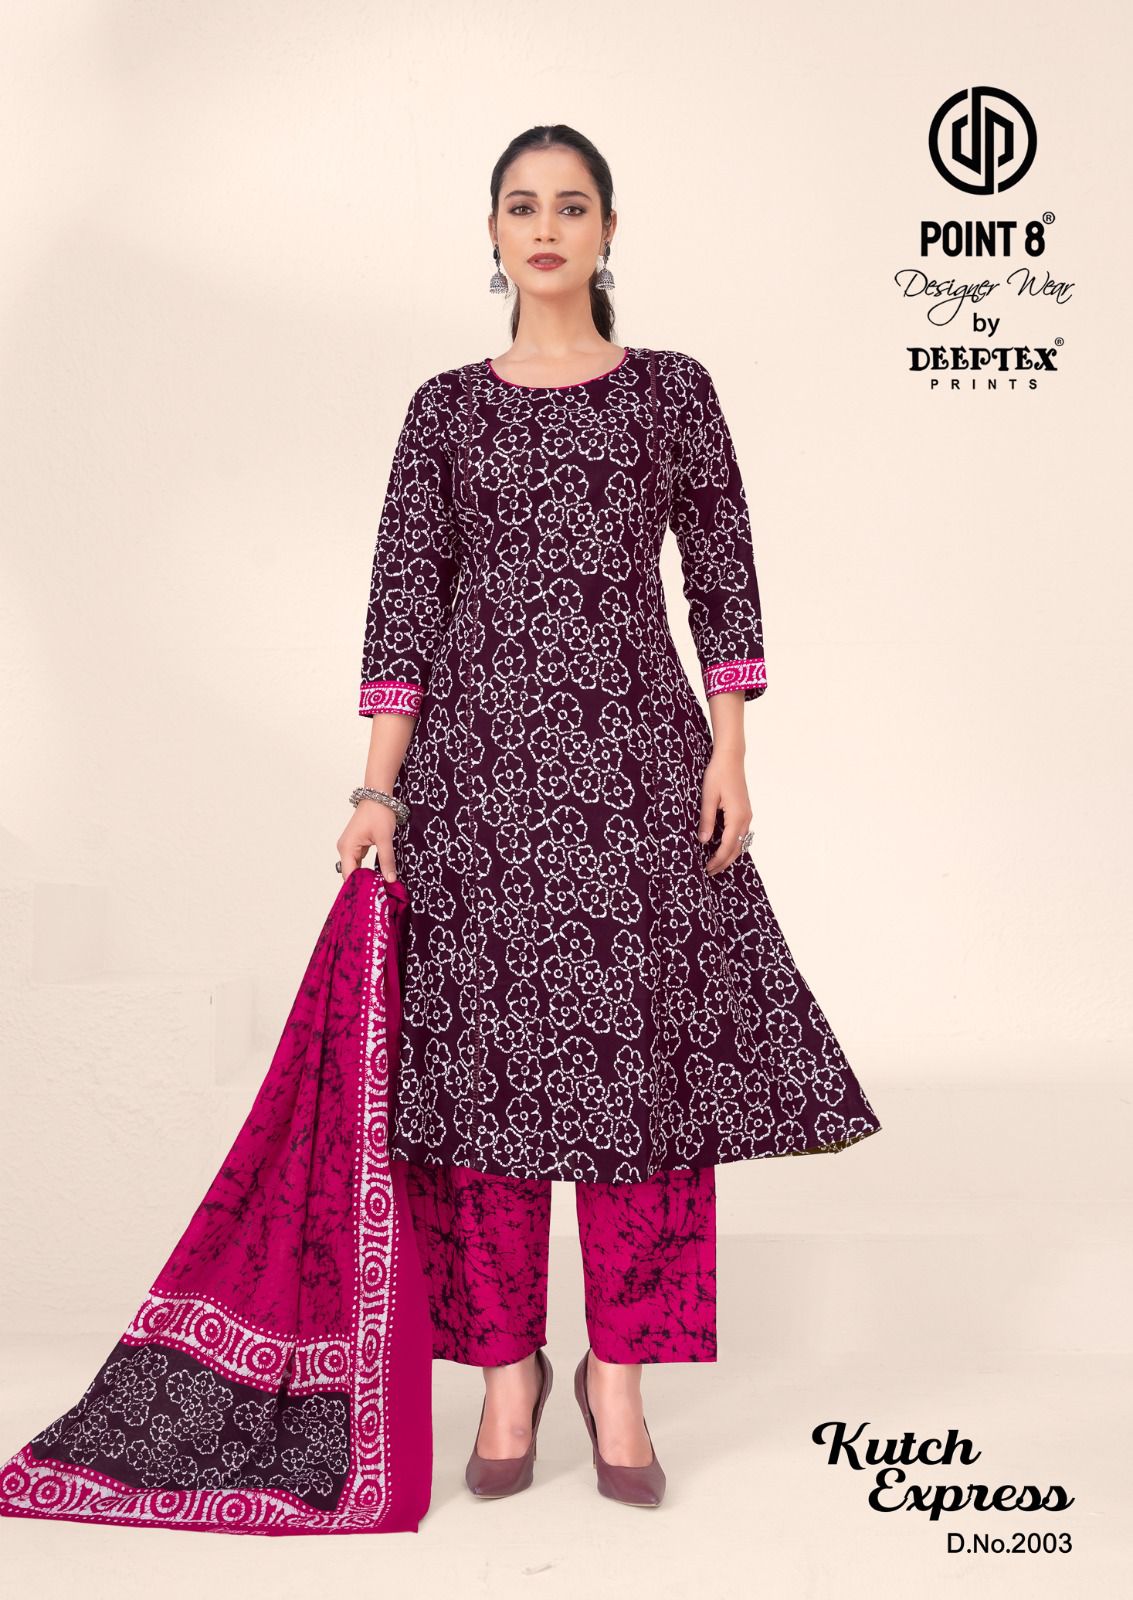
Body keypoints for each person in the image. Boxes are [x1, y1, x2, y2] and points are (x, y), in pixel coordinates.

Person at [336, 124, 882, 1508]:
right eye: (521, 206)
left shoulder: (671, 391)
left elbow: (725, 572)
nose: (545, 227)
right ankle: (505, 1372)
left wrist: (732, 748)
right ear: (490, 232)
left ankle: (620, 1376)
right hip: (476, 784)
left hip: (639, 771)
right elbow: (405, 598)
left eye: (571, 206)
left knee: (644, 1077)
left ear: (609, 230)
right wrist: (378, 789)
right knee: (485, 1079)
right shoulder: (443, 410)